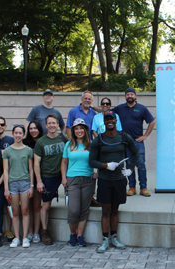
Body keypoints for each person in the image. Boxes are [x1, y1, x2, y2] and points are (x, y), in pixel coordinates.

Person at [89, 110, 140, 253]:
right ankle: (105, 240)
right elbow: (91, 161)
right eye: (107, 119)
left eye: (112, 119)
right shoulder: (98, 140)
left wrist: (129, 169)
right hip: (105, 180)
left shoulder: (124, 137)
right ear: (104, 122)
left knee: (115, 210)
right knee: (106, 210)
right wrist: (105, 165)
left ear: (116, 121)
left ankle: (115, 238)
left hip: (119, 179)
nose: (110, 121)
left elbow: (136, 153)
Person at [112, 88, 155, 197]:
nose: (130, 96)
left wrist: (145, 136)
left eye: (131, 94)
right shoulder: (120, 108)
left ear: (135, 96)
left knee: (141, 165)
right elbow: (107, 111)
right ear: (125, 96)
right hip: (124, 142)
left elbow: (152, 121)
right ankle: (132, 187)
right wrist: (93, 107)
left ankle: (143, 188)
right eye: (127, 94)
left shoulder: (141, 108)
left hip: (137, 142)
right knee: (128, 165)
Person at [61, 118, 97, 247]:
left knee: (84, 209)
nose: (79, 130)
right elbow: (64, 162)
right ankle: (72, 233)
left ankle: (80, 236)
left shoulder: (91, 145)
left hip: (88, 179)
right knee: (74, 209)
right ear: (73, 131)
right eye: (76, 128)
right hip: (73, 179)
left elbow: (97, 159)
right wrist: (64, 178)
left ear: (85, 130)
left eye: (81, 128)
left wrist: (96, 171)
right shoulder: (69, 144)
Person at [34, 114, 68, 245]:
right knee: (46, 205)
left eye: (54, 123)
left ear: (58, 125)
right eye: (49, 123)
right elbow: (36, 163)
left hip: (62, 174)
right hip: (48, 176)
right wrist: (39, 181)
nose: (52, 125)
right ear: (46, 125)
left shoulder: (63, 138)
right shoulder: (41, 142)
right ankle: (45, 231)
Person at [3, 125, 34, 248]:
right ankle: (16, 237)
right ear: (13, 134)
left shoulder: (28, 150)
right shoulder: (7, 151)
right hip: (12, 183)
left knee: (25, 210)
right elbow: (5, 170)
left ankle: (25, 237)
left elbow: (31, 169)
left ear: (23, 134)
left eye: (20, 133)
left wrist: (31, 185)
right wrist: (6, 188)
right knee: (15, 211)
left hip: (25, 182)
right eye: (16, 133)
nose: (18, 135)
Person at [22, 120, 44, 243]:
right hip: (25, 178)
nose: (33, 130)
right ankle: (29, 231)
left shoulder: (43, 142)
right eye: (31, 128)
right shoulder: (25, 143)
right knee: (27, 208)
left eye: (35, 128)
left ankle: (36, 232)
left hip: (38, 178)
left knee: (36, 207)